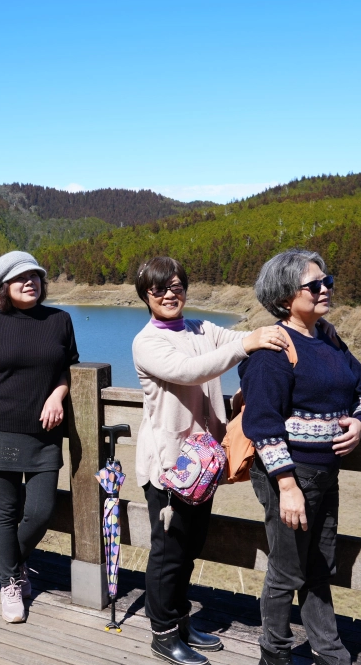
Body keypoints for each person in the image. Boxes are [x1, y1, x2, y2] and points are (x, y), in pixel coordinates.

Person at [132, 256, 289, 665]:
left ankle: (181, 622)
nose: (170, 294)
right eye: (159, 289)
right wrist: (244, 346)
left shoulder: (201, 328)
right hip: (170, 466)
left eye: (177, 286)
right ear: (146, 295)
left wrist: (279, 334)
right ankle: (163, 634)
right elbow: (190, 371)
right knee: (168, 551)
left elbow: (242, 338)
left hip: (204, 463)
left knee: (190, 546)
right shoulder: (147, 341)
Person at [240, 249, 361, 665]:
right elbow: (262, 424)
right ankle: (274, 654)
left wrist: (360, 424)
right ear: (285, 296)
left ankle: (329, 651)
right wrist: (287, 486)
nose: (325, 289)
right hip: (289, 475)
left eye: (327, 281)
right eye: (314, 285)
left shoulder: (330, 340)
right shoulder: (272, 351)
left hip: (324, 474)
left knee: (320, 564)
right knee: (287, 570)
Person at [0, 251, 79, 624]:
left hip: (45, 433)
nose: (29, 282)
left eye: (34, 276)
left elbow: (67, 371)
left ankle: (12, 566)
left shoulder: (59, 320)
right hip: (0, 428)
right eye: (20, 278)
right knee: (5, 511)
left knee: (40, 511)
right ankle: (10, 582)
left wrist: (57, 396)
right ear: (5, 287)